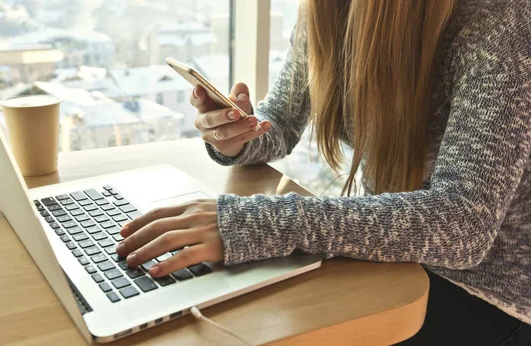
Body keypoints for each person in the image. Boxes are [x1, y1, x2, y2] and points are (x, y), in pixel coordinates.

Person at [117, 0, 531, 344]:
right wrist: (238, 136)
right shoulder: (325, 8)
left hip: (488, 297)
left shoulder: (502, 19)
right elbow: (280, 119)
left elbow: (464, 224)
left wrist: (255, 223)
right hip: (391, 260)